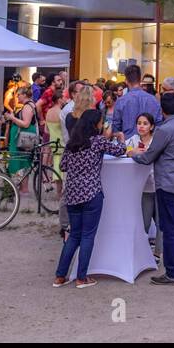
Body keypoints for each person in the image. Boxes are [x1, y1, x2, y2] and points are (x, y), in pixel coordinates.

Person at [54, 111, 126, 289]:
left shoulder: (72, 143)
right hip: (92, 192)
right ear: (96, 124)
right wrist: (121, 138)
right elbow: (120, 151)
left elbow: (63, 165)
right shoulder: (98, 141)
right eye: (101, 122)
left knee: (73, 236)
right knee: (88, 236)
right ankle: (81, 278)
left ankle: (60, 276)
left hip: (72, 194)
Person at [132, 92, 174, 284]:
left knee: (169, 228)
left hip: (168, 183)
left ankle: (173, 272)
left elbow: (148, 157)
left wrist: (134, 153)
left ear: (162, 110)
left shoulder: (164, 130)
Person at [126, 113, 159, 242]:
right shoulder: (133, 140)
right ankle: (142, 251)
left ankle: (158, 253)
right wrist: (132, 151)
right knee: (143, 222)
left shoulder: (156, 141)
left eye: (145, 124)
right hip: (142, 187)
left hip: (157, 183)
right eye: (139, 123)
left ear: (151, 127)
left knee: (160, 222)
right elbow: (125, 150)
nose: (141, 126)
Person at [112, 64, 161, 140]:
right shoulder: (153, 100)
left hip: (127, 145)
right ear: (140, 79)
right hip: (149, 145)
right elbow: (158, 125)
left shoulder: (121, 101)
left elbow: (116, 127)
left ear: (126, 81)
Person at [8, 86, 39, 196]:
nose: (17, 97)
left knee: (21, 161)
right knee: (23, 161)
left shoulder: (27, 107)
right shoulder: (30, 105)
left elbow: (26, 123)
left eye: (19, 95)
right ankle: (22, 188)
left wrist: (12, 118)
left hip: (23, 138)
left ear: (25, 95)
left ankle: (23, 189)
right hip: (24, 136)